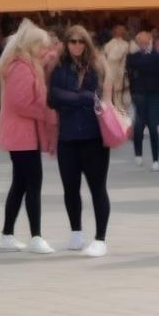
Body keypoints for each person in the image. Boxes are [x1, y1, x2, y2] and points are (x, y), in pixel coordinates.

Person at [48, 25, 111, 257]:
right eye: (72, 41)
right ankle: (76, 233)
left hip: (94, 138)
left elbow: (95, 96)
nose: (76, 45)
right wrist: (79, 97)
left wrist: (72, 97)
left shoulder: (96, 66)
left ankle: (100, 239)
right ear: (66, 43)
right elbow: (53, 98)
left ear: (87, 43)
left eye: (80, 41)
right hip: (68, 138)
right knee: (70, 188)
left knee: (97, 188)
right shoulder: (59, 68)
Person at [0, 19, 58, 254]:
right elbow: (21, 103)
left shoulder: (24, 63)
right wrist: (46, 113)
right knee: (32, 184)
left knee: (20, 185)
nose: (44, 51)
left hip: (21, 134)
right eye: (41, 47)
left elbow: (51, 53)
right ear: (31, 46)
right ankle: (35, 236)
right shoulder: (21, 68)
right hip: (22, 135)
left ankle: (7, 234)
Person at [127, 30, 159, 170]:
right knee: (139, 125)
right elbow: (135, 64)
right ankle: (138, 153)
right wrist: (143, 61)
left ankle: (156, 160)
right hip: (139, 93)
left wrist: (144, 61)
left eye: (146, 42)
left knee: (153, 127)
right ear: (137, 43)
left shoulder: (157, 56)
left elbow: (153, 64)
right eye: (141, 42)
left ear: (151, 42)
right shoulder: (132, 57)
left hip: (155, 94)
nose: (143, 45)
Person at [101, 25, 131, 110]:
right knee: (112, 93)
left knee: (117, 94)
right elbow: (109, 56)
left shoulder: (124, 44)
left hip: (118, 71)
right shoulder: (111, 43)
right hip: (111, 71)